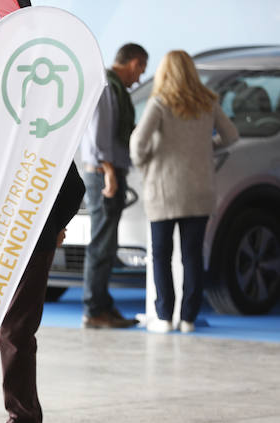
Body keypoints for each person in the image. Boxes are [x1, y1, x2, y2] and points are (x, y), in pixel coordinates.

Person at [130, 50, 238, 333]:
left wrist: (146, 162)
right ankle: (188, 318)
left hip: (164, 190)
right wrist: (206, 148)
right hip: (199, 189)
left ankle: (165, 316)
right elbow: (231, 136)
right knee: (191, 256)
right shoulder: (208, 103)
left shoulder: (159, 103)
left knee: (161, 255)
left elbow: (137, 143)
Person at [0, 165, 86, 423]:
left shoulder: (37, 133)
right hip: (9, 243)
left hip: (30, 242)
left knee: (13, 332)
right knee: (6, 331)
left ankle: (24, 422)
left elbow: (74, 188)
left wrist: (55, 226)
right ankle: (23, 418)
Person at [79, 43, 148, 329]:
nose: (140, 78)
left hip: (107, 171)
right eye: (141, 70)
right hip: (103, 173)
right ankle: (94, 310)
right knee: (102, 244)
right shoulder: (107, 86)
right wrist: (109, 172)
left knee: (107, 242)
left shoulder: (113, 86)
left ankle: (103, 305)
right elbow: (98, 135)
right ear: (133, 63)